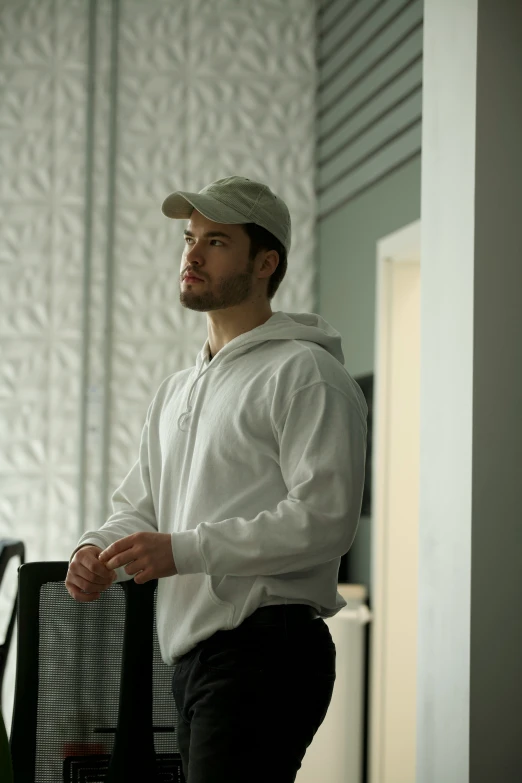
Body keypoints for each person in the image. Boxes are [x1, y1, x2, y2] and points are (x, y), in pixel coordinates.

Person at [65, 176, 368, 782]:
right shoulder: (178, 389)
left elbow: (326, 521)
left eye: (217, 241)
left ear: (266, 262)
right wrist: (96, 550)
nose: (192, 254)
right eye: (189, 238)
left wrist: (184, 550)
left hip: (266, 654)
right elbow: (141, 505)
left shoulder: (305, 372)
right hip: (193, 658)